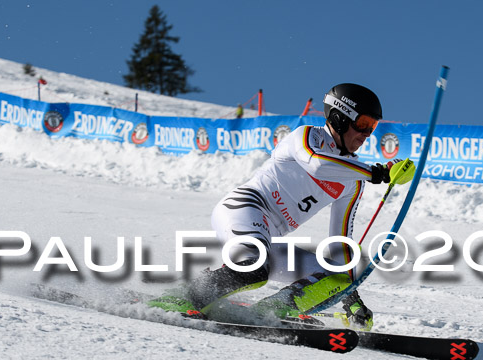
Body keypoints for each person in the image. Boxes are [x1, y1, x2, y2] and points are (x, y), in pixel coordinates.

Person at [152, 83, 411, 330]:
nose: (367, 134)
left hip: (271, 237)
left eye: (373, 126)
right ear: (340, 118)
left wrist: (350, 297)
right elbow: (317, 164)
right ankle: (181, 296)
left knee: (338, 276)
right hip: (244, 208)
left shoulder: (354, 181)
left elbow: (340, 241)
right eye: (363, 124)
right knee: (255, 267)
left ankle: (273, 311)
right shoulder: (308, 137)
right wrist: (375, 172)